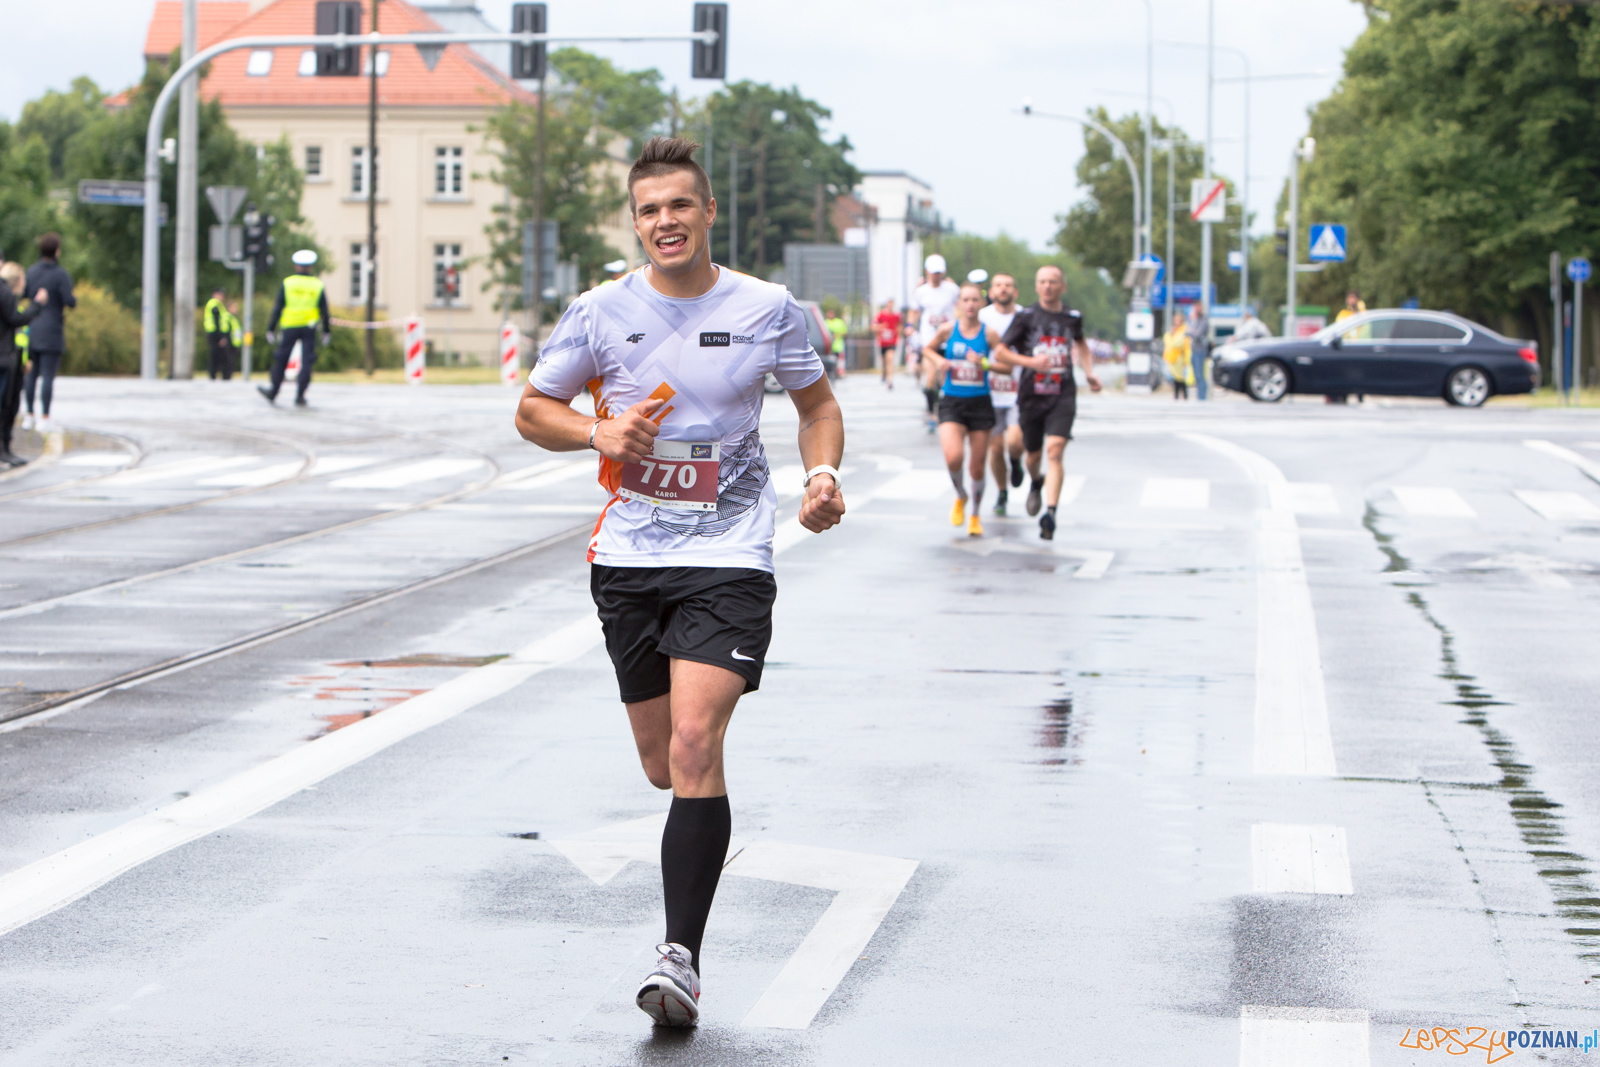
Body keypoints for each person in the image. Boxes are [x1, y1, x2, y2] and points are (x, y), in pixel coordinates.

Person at [512, 136, 846, 1029]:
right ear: (636, 221)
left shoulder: (768, 307)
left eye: (680, 206)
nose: (666, 221)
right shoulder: (597, 312)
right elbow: (531, 410)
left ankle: (680, 959)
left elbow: (816, 405)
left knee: (697, 742)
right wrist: (597, 436)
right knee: (663, 763)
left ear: (707, 214)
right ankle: (688, 888)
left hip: (731, 551)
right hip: (629, 559)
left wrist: (821, 477)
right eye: (649, 209)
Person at [1002, 264, 1103, 541]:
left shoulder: (1072, 317)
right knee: (1033, 455)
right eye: (1042, 281)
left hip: (1062, 394)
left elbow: (1081, 344)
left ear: (1063, 286)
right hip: (1031, 395)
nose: (1047, 286)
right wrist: (1029, 362)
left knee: (1055, 451)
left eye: (1053, 281)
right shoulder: (1026, 317)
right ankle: (1035, 481)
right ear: (1036, 287)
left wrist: (1089, 372)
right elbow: (1001, 350)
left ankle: (1051, 513)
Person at [922, 282, 1018, 537]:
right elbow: (926, 348)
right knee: (953, 457)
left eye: (975, 300)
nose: (970, 305)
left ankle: (974, 514)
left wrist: (985, 363)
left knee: (977, 467)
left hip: (980, 403)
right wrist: (940, 359)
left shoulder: (989, 335)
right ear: (959, 304)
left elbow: (1007, 367)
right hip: (952, 401)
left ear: (981, 303)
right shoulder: (947, 330)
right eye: (965, 300)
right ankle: (960, 495)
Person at [977, 272, 1025, 515]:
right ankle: (1002, 492)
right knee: (995, 449)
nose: (1003, 289)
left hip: (1018, 390)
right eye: (998, 285)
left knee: (1015, 442)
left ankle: (1016, 462)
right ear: (992, 291)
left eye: (1008, 285)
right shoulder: (983, 317)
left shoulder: (1024, 316)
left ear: (1015, 291)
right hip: (991, 391)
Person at [259, 249, 330, 407]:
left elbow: (278, 307)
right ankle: (300, 396)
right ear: (311, 266)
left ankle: (273, 391)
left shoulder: (288, 283)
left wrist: (271, 328)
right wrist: (326, 330)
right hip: (309, 327)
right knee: (307, 362)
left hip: (290, 326)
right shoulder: (317, 285)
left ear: (296, 265)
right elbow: (325, 310)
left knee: (281, 359)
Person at [23, 233, 75, 433]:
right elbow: (69, 300)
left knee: (31, 375)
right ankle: (45, 417)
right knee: (47, 377)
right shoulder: (60, 275)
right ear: (57, 251)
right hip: (52, 330)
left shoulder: (32, 271)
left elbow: (26, 293)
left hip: (33, 327)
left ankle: (29, 415)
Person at [0, 262, 46, 466]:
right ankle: (4, 449)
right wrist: (37, 305)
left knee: (8, 404)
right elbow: (16, 320)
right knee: (6, 405)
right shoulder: (6, 295)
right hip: (4, 358)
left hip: (11, 356)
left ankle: (5, 448)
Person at [909, 254, 960, 433]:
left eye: (939, 273)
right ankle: (931, 411)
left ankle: (942, 409)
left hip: (948, 339)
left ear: (943, 272)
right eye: (933, 273)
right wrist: (910, 327)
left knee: (943, 378)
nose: (936, 276)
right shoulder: (921, 292)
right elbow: (914, 312)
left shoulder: (952, 289)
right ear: (927, 272)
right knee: (931, 377)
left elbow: (960, 307)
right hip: (929, 341)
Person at [203, 287, 239, 381]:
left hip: (215, 334)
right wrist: (221, 337)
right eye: (221, 295)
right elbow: (217, 321)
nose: (222, 297)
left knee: (218, 357)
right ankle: (214, 376)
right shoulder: (215, 304)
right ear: (215, 294)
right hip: (215, 334)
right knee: (216, 357)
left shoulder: (217, 305)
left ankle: (216, 376)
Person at [1163, 310, 1194, 400]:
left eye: (1178, 320)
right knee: (1176, 377)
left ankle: (1184, 395)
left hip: (1181, 357)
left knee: (1181, 377)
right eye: (1175, 320)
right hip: (1173, 357)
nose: (1177, 322)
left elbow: (1177, 343)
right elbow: (1167, 340)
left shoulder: (1184, 330)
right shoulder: (1173, 330)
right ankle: (1176, 395)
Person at [874, 297, 901, 387]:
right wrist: (881, 326)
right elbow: (873, 326)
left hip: (892, 342)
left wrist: (898, 335)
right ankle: (884, 374)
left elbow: (899, 326)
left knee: (890, 359)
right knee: (884, 360)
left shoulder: (897, 316)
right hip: (883, 342)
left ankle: (890, 380)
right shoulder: (881, 315)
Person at [1186, 303, 1210, 400]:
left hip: (1200, 351)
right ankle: (1200, 396)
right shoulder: (1194, 320)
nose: (1195, 310)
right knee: (1196, 375)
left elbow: (1197, 334)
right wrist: (1192, 327)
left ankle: (1202, 398)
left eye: (1197, 307)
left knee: (1200, 375)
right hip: (1194, 350)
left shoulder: (1204, 320)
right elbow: (1186, 332)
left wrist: (1192, 327)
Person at [824, 305, 847, 377]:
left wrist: (837, 335)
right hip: (829, 346)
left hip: (838, 346)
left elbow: (844, 332)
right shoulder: (825, 322)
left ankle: (839, 373)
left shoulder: (839, 322)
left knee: (839, 361)